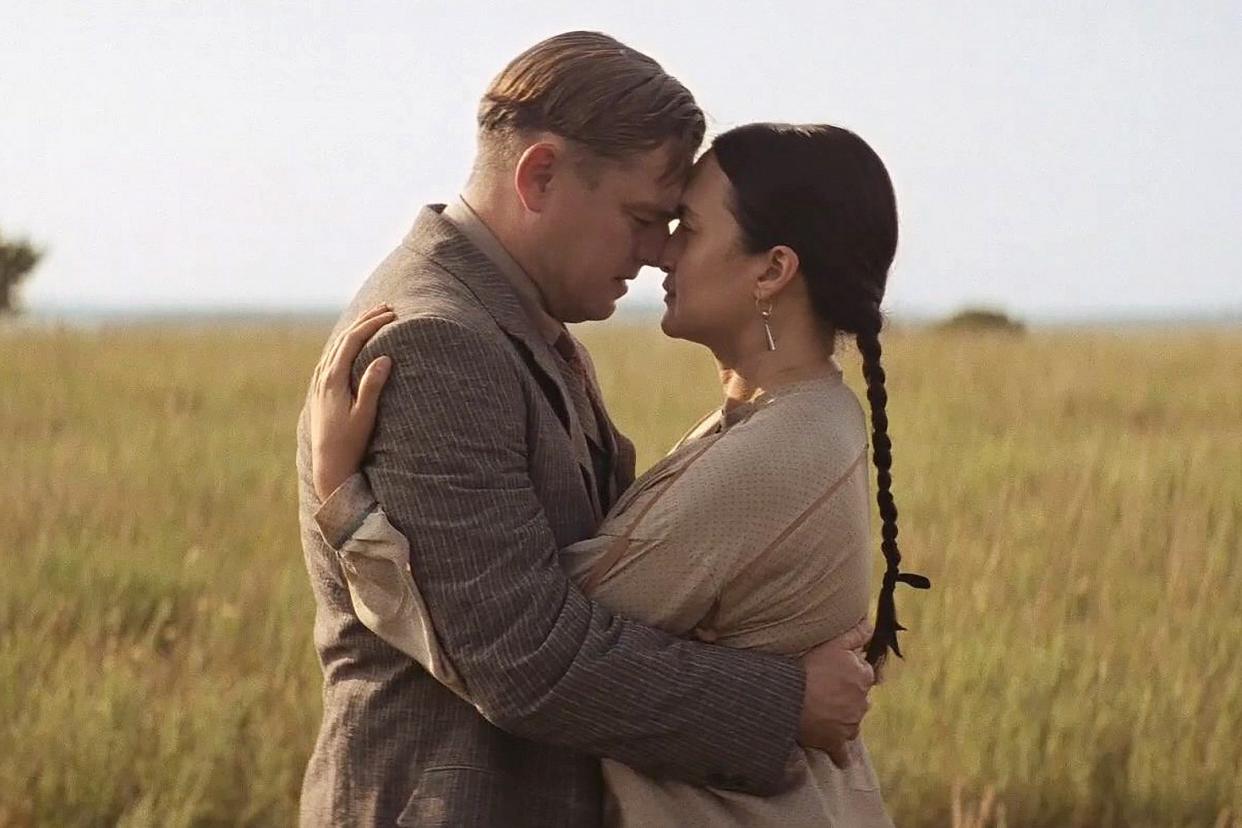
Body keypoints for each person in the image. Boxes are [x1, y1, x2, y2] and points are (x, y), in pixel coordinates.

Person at [295, 31, 883, 827]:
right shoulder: (434, 341)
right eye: (643, 218)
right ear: (540, 176)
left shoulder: (528, 325)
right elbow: (521, 657)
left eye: (675, 225)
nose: (654, 253)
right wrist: (787, 702)